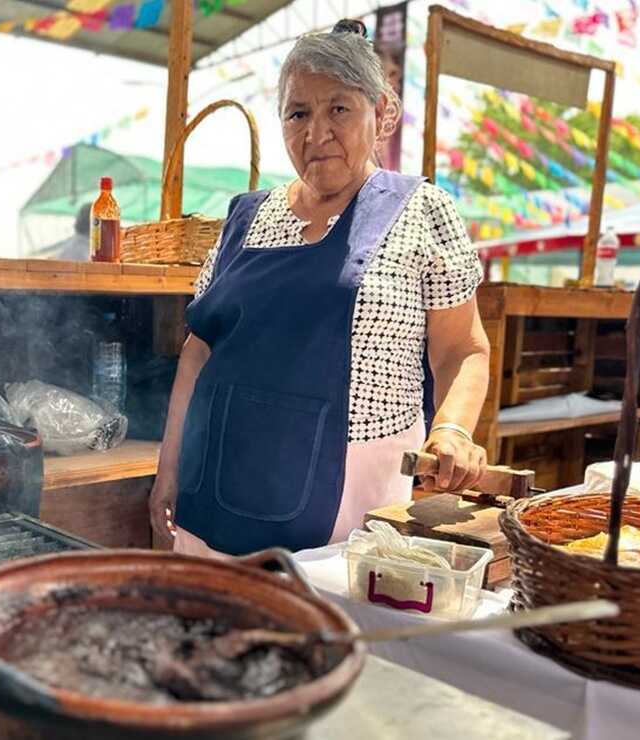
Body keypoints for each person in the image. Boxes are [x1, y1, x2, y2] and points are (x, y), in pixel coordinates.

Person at [149, 20, 490, 556]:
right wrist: (167, 470)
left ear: (382, 113)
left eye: (339, 109)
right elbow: (197, 352)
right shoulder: (245, 217)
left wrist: (453, 430)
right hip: (213, 487)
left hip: (353, 496)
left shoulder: (423, 210)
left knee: (325, 630)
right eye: (298, 113)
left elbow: (463, 348)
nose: (316, 134)